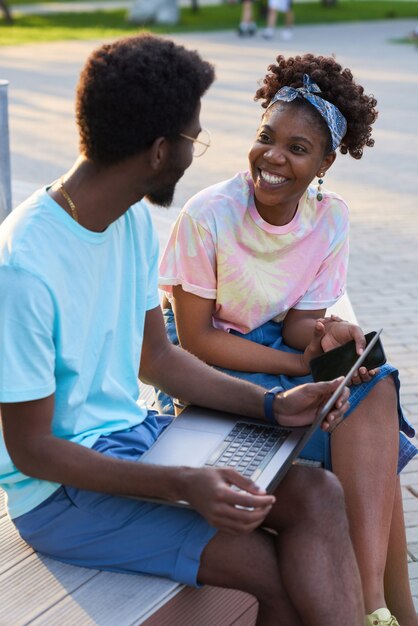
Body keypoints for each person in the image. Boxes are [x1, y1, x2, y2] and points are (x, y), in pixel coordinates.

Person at [0, 35, 366, 625]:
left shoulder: (130, 223)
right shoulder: (22, 269)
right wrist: (182, 484)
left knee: (318, 494)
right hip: (60, 496)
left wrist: (274, 406)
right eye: (194, 138)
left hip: (135, 437)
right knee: (270, 568)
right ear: (158, 148)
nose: (197, 154)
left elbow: (159, 360)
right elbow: (32, 451)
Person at [158, 53, 418, 626]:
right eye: (266, 137)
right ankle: (384, 611)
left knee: (373, 385)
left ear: (325, 161)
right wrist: (300, 367)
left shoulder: (330, 218)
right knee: (373, 460)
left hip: (276, 349)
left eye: (297, 149)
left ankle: (373, 608)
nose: (272, 158)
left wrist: (327, 336)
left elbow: (302, 322)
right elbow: (196, 340)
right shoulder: (209, 216)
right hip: (208, 365)